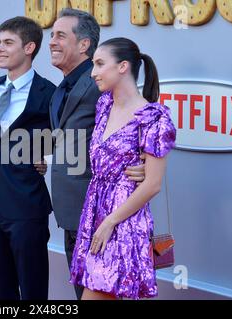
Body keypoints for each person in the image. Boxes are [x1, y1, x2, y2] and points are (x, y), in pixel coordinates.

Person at [48, 8, 146, 299]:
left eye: (60, 36)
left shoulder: (103, 84)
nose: (52, 41)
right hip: (69, 212)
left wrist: (141, 162)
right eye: (51, 34)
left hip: (99, 212)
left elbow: (138, 119)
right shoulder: (59, 90)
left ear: (83, 45)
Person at [69, 37, 176, 300]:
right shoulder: (104, 105)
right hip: (95, 212)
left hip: (123, 221)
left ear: (123, 66)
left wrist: (110, 222)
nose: (93, 72)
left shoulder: (154, 117)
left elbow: (152, 184)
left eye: (99, 64)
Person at [0, 16, 55, 300]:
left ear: (29, 47)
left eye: (8, 42)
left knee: (34, 291)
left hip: (26, 205)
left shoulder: (49, 93)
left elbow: (64, 138)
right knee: (2, 290)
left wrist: (42, 156)